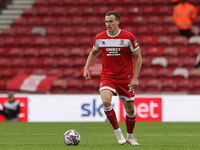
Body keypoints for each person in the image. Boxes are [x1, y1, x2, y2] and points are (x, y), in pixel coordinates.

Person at [83, 11, 142, 145]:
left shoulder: (128, 37)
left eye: (110, 21)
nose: (108, 24)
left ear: (117, 22)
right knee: (105, 101)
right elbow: (94, 52)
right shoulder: (99, 37)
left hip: (125, 78)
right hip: (107, 76)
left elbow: (138, 57)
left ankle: (130, 136)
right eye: (106, 22)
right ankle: (118, 133)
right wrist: (86, 68)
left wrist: (135, 77)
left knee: (130, 110)